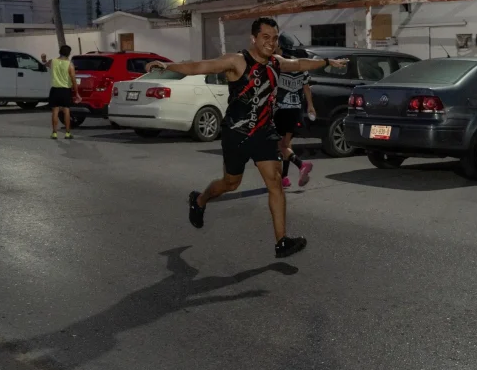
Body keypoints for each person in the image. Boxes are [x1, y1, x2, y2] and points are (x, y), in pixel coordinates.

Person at [144, 17, 348, 258]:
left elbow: (300, 63)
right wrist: (167, 66)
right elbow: (200, 66)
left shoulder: (276, 63)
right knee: (230, 183)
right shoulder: (237, 61)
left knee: (275, 183)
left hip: (264, 133)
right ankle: (199, 199)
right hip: (236, 133)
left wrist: (327, 61)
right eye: (265, 37)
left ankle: (282, 242)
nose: (271, 43)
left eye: (274, 38)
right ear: (253, 38)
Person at [273, 33, 315, 188]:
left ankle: (301, 164)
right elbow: (306, 87)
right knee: (287, 143)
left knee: (280, 146)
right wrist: (310, 105)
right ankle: (284, 177)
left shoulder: (278, 64)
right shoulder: (300, 64)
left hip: (280, 110)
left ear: (280, 46)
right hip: (295, 109)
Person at [42, 45, 81, 139]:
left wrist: (43, 59)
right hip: (65, 90)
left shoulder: (52, 61)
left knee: (55, 111)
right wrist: (77, 93)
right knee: (66, 110)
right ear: (69, 53)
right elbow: (73, 79)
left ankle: (54, 133)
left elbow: (45, 64)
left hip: (55, 89)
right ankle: (67, 133)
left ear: (60, 51)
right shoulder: (70, 64)